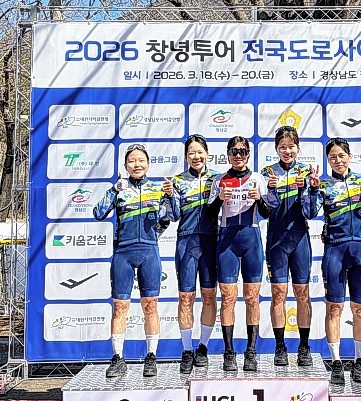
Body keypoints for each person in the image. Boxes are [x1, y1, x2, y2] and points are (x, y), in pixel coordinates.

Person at [93, 144, 170, 378]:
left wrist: (152, 235)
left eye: (141, 160)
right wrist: (113, 190)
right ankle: (118, 358)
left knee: (150, 305)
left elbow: (169, 218)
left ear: (148, 164)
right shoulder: (119, 189)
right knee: (120, 307)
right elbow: (98, 213)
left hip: (149, 252)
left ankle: (151, 356)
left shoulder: (156, 189)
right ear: (126, 166)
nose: (137, 165)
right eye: (132, 161)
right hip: (123, 253)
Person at [307, 137, 361, 385]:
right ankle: (335, 362)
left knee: (360, 309)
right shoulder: (323, 184)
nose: (337, 160)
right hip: (334, 251)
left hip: (360, 251)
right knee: (334, 308)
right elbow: (310, 212)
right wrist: (313, 189)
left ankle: (359, 361)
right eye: (332, 157)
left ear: (349, 156)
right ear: (328, 160)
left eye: (341, 155)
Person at [208, 136, 275, 372]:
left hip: (251, 239)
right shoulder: (219, 180)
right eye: (234, 152)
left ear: (248, 154)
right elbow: (209, 214)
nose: (238, 156)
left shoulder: (257, 178)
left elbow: (267, 213)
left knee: (252, 297)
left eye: (242, 151)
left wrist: (259, 199)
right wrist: (219, 199)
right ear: (228, 154)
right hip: (227, 240)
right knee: (227, 297)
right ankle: (229, 352)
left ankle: (251, 351)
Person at [163, 134, 219, 374]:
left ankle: (203, 347)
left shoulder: (218, 179)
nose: (196, 157)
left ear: (207, 153)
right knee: (185, 297)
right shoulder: (177, 181)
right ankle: (187, 350)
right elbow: (174, 216)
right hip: (186, 242)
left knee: (209, 296)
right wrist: (169, 196)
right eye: (191, 153)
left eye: (199, 152)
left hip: (211, 241)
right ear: (186, 157)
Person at [260, 126, 315, 367]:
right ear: (276, 149)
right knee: (278, 294)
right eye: (282, 147)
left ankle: (304, 346)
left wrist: (307, 188)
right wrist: (270, 189)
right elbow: (266, 209)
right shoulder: (267, 172)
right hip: (276, 240)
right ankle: (280, 346)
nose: (287, 151)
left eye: (291, 146)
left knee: (302, 293)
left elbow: (311, 211)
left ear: (298, 148)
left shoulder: (306, 171)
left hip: (299, 238)